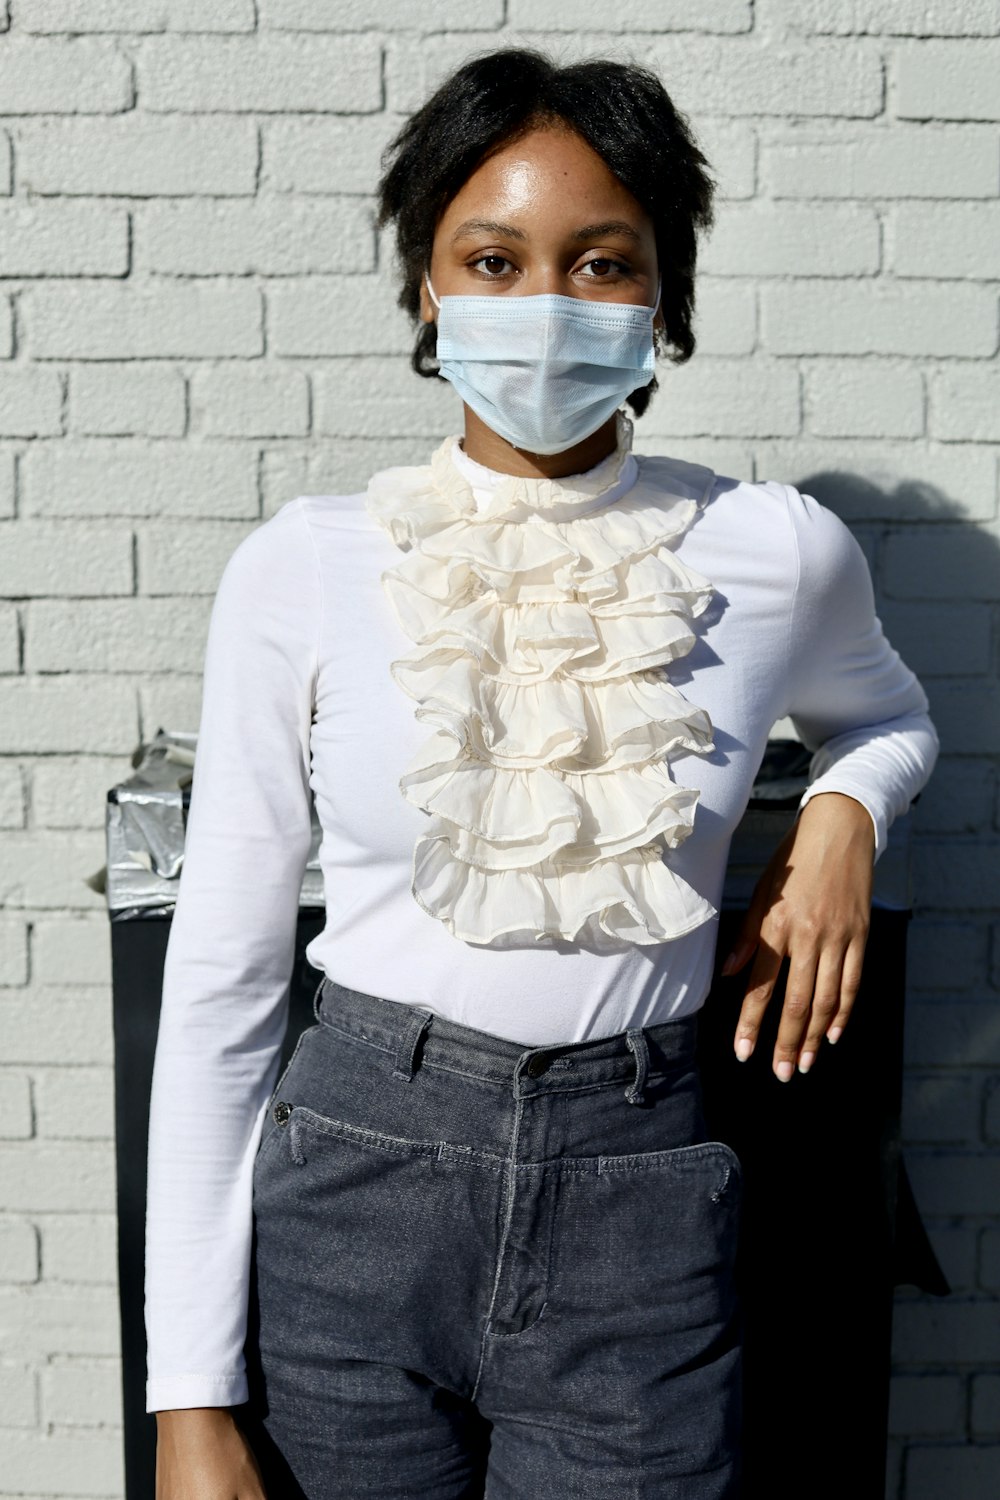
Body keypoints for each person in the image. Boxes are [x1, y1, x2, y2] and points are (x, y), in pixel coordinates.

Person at [146, 47, 939, 1500]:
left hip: (640, 1193)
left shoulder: (774, 551)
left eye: (602, 261)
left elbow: (888, 716)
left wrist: (842, 811)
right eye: (493, 260)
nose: (547, 308)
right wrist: (188, 1399)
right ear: (426, 292)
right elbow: (222, 983)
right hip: (353, 1185)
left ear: (663, 298)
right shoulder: (305, 567)